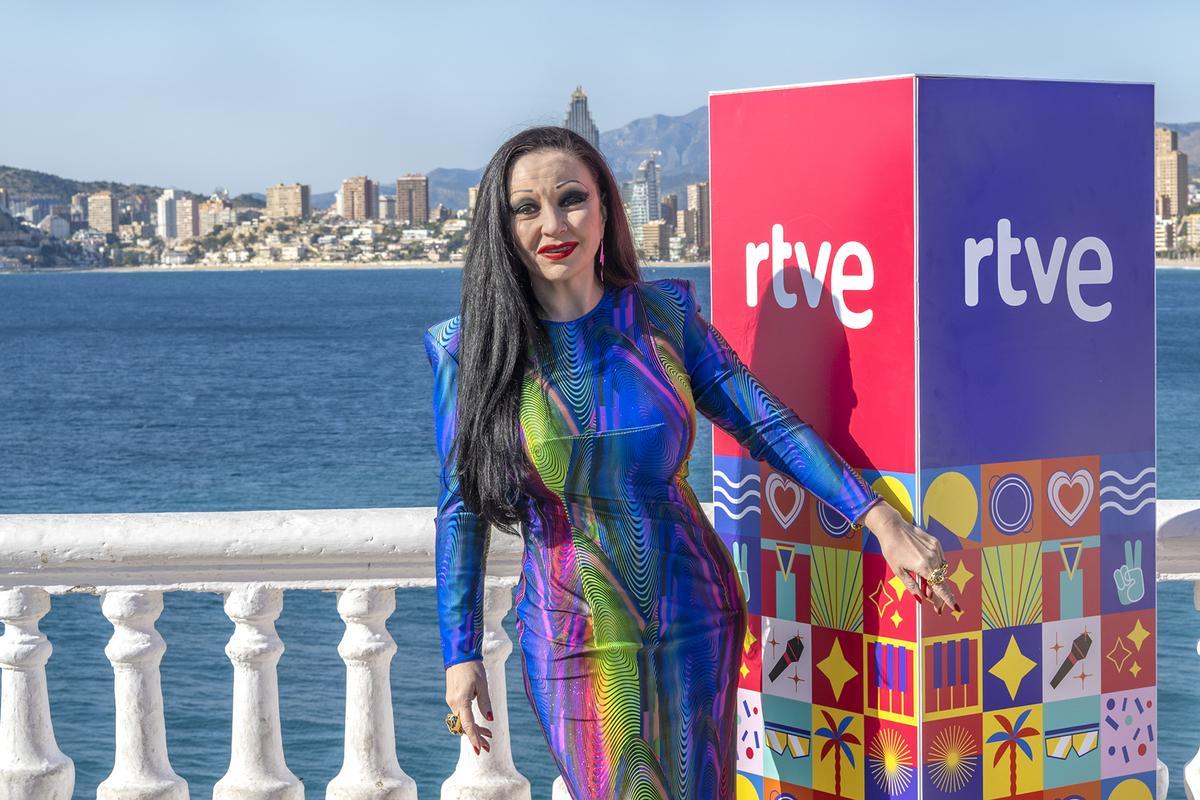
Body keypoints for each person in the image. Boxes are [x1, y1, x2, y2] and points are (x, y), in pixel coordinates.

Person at [423, 126, 959, 798]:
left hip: (695, 616)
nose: (553, 224)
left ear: (606, 208)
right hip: (570, 634)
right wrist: (461, 652)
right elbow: (462, 508)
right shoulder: (471, 351)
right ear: (502, 230)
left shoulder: (664, 318)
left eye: (571, 199)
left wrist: (880, 519)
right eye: (526, 208)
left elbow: (766, 423)